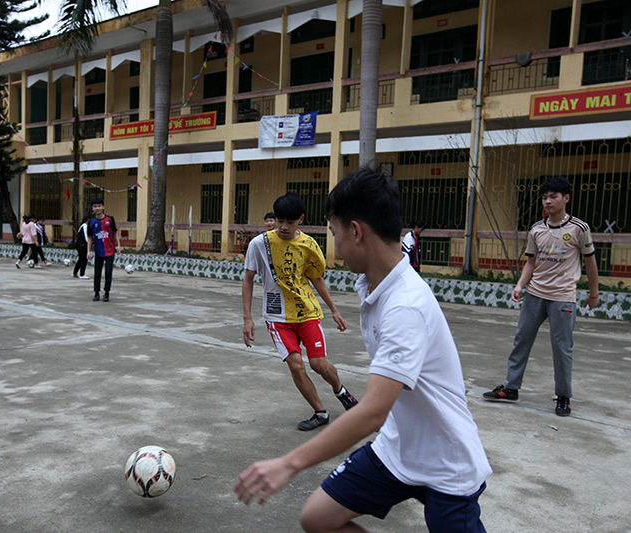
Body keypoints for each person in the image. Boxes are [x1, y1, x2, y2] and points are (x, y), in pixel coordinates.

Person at [235, 168, 491, 533]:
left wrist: (289, 463)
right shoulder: (373, 282)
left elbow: (371, 412)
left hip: (445, 461)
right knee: (317, 518)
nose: (334, 245)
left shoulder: (406, 306)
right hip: (397, 448)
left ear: (356, 231)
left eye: (335, 233)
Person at [483, 176, 599, 417]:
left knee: (562, 348)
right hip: (535, 294)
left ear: (566, 198)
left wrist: (594, 293)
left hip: (563, 297)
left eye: (553, 197)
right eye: (544, 197)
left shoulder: (579, 228)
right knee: (521, 341)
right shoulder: (536, 229)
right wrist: (520, 285)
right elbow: (531, 262)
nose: (547, 201)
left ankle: (563, 396)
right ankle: (511, 388)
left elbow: (590, 262)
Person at [243, 192, 357, 431]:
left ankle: (341, 391)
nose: (284, 227)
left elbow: (316, 279)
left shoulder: (309, 245)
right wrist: (247, 318)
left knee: (319, 364)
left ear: (300, 220)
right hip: (277, 317)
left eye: (290, 222)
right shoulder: (259, 244)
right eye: (280, 220)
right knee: (296, 365)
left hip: (307, 313)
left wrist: (334, 310)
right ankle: (320, 412)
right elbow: (248, 279)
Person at [87, 198, 118, 301]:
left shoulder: (110, 219)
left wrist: (118, 245)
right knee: (97, 273)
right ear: (92, 208)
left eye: (99, 206)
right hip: (98, 251)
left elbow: (115, 233)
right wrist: (88, 251)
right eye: (95, 206)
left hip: (110, 250)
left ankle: (107, 293)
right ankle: (96, 293)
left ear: (103, 207)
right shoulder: (91, 222)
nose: (97, 208)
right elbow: (90, 237)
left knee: (108, 272)